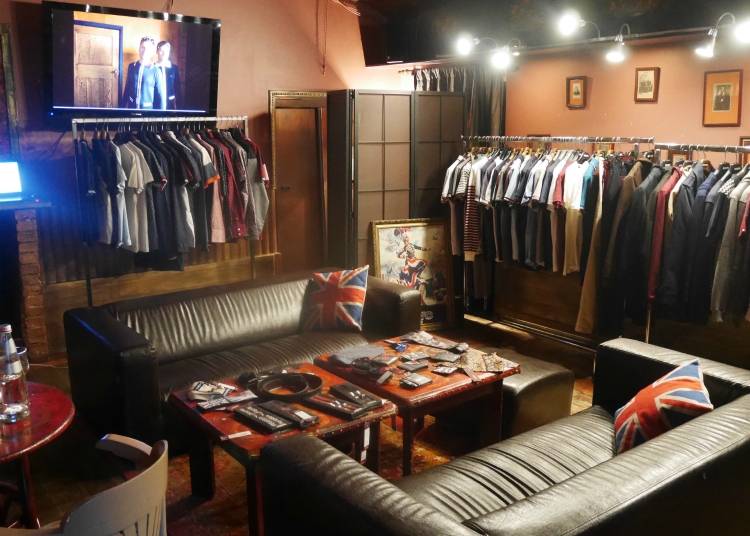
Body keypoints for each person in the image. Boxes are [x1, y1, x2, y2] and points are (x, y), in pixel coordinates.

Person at [121, 37, 162, 109]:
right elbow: (127, 88)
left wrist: (158, 114)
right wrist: (122, 107)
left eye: (148, 48)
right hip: (132, 108)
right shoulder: (132, 66)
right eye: (142, 47)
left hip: (147, 110)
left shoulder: (156, 70)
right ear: (139, 48)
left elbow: (159, 96)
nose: (145, 50)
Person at [155, 40, 181, 110]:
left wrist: (179, 107)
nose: (164, 53)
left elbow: (177, 89)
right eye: (161, 50)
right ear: (157, 52)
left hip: (170, 105)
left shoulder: (174, 68)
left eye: (166, 51)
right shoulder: (152, 68)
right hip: (155, 105)